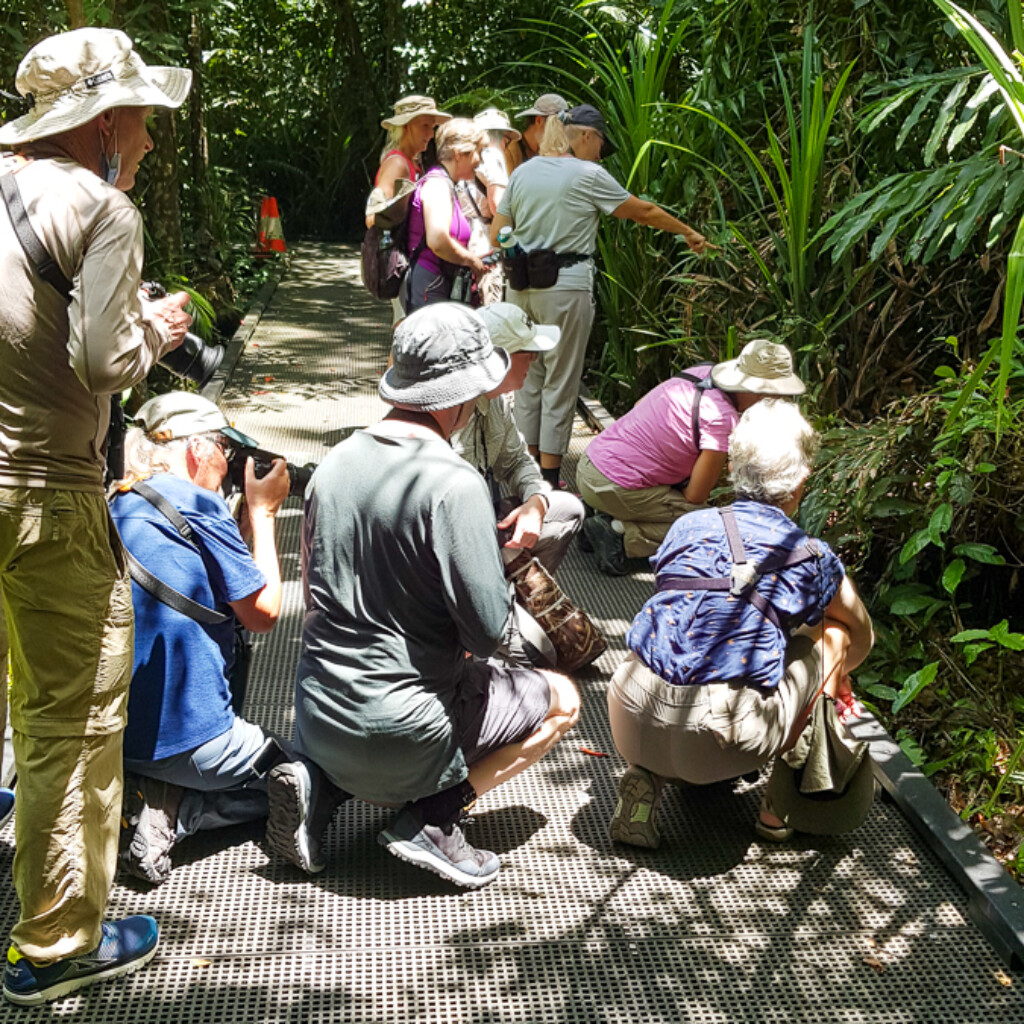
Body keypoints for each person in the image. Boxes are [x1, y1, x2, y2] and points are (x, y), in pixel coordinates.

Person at [0, 28, 194, 1006]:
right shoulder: (102, 206)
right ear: (104, 123)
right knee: (71, 721)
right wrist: (156, 328)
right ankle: (57, 943)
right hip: (47, 496)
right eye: (146, 121)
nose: (152, 141)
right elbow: (107, 364)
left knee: (16, 696)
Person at [265, 303, 580, 888]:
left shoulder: (333, 464)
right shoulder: (453, 482)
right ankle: (434, 820)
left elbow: (313, 590)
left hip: (316, 713)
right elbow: (488, 633)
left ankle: (321, 785)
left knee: (364, 699)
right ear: (461, 395)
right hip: (409, 730)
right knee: (561, 698)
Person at [605, 400, 874, 849]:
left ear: (732, 468)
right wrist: (832, 680)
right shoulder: (810, 556)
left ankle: (646, 779)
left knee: (686, 645)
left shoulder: (686, 526)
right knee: (833, 635)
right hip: (720, 737)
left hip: (630, 712)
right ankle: (777, 807)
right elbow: (861, 635)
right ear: (800, 485)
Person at [109, 393, 290, 886]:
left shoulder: (114, 497)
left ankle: (153, 793)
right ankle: (182, 812)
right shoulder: (198, 501)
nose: (229, 466)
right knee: (312, 775)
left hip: (112, 735)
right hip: (198, 743)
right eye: (225, 453)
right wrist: (265, 514)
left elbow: (216, 584)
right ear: (196, 451)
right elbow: (262, 614)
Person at [491, 104, 711, 491]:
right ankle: (550, 478)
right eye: (600, 144)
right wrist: (688, 232)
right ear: (585, 136)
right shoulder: (588, 174)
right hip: (565, 286)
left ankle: (522, 476)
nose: (600, 154)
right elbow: (641, 210)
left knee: (528, 378)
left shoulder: (522, 173)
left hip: (520, 285)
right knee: (561, 379)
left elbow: (497, 235)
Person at [578, 339, 805, 575]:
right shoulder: (721, 419)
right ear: (760, 392)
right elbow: (696, 495)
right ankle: (621, 534)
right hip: (613, 486)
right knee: (711, 525)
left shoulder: (700, 374)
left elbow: (640, 404)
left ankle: (601, 510)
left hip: (590, 463)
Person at [452, 302, 583, 574]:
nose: (535, 360)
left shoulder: (496, 402)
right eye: (530, 352)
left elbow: (516, 461)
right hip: (451, 538)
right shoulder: (451, 408)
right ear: (501, 358)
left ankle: (511, 597)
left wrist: (536, 500)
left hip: (485, 522)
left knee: (568, 509)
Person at [366, 96, 450, 326]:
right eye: (425, 126)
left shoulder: (409, 162)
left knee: (405, 333)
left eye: (432, 127)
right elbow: (373, 216)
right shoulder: (398, 164)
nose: (431, 134)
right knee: (405, 333)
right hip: (400, 259)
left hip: (407, 259)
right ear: (405, 127)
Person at [403, 119, 489, 314]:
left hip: (438, 283)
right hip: (430, 286)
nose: (480, 161)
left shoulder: (447, 185)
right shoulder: (437, 185)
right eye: (478, 152)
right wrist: (471, 261)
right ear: (459, 154)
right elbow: (438, 240)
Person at [456, 109, 520, 305]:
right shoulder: (493, 156)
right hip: (488, 245)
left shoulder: (469, 160)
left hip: (469, 240)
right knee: (492, 310)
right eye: (506, 140)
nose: (506, 145)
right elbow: (498, 205)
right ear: (498, 136)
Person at [507, 93, 569, 173]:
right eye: (555, 125)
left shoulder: (554, 152)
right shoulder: (511, 151)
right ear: (539, 121)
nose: (561, 132)